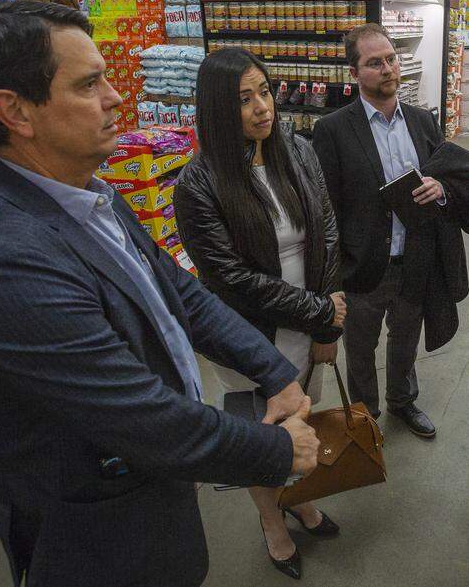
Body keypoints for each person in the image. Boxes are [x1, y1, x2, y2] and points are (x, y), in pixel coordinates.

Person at [0, 0, 319, 587]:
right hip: (101, 544)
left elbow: (183, 294)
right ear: (15, 112)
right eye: (89, 84)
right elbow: (145, 419)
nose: (115, 98)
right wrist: (278, 453)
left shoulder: (91, 195)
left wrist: (274, 370)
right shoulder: (3, 270)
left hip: (156, 500)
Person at [173, 47, 345, 580]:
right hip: (248, 337)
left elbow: (327, 231)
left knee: (301, 418)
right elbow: (232, 280)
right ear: (217, 109)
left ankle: (298, 498)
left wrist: (327, 320)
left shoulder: (296, 149)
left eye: (264, 92)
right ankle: (273, 521)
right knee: (262, 434)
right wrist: (317, 309)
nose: (261, 108)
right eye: (243, 99)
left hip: (307, 321)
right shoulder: (197, 184)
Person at [311, 23, 447, 438]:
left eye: (391, 58)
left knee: (405, 340)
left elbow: (448, 176)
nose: (388, 69)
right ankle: (364, 417)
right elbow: (326, 208)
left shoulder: (424, 121)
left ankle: (403, 402)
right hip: (364, 264)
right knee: (361, 350)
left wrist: (441, 189)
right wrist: (334, 274)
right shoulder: (333, 129)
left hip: (415, 258)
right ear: (354, 73)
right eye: (374, 63)